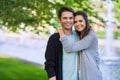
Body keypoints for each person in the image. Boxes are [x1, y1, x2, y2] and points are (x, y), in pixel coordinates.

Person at [59, 11, 103, 80]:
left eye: (80, 21)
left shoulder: (91, 36)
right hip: (83, 74)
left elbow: (69, 48)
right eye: (75, 22)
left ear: (86, 21)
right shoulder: (80, 34)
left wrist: (61, 32)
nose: (78, 24)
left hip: (92, 75)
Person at [44, 6, 79, 80]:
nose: (68, 21)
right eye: (65, 18)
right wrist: (52, 77)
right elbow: (49, 62)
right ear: (60, 19)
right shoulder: (54, 38)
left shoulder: (79, 36)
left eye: (70, 18)